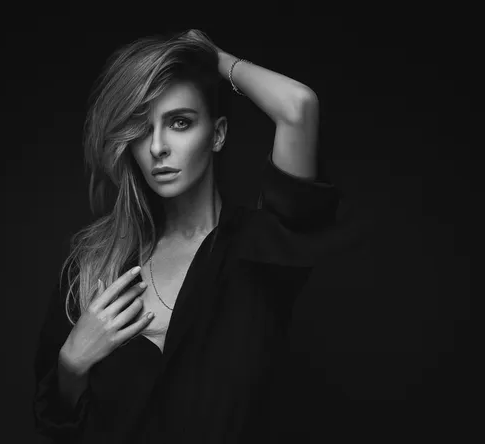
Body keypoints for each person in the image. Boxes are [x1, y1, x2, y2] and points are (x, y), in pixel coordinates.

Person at [33, 29, 343, 443]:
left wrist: (213, 57)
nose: (157, 146)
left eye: (180, 122)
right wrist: (72, 364)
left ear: (217, 134)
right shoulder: (95, 264)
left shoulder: (264, 247)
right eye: (142, 129)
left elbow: (298, 107)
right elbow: (57, 425)